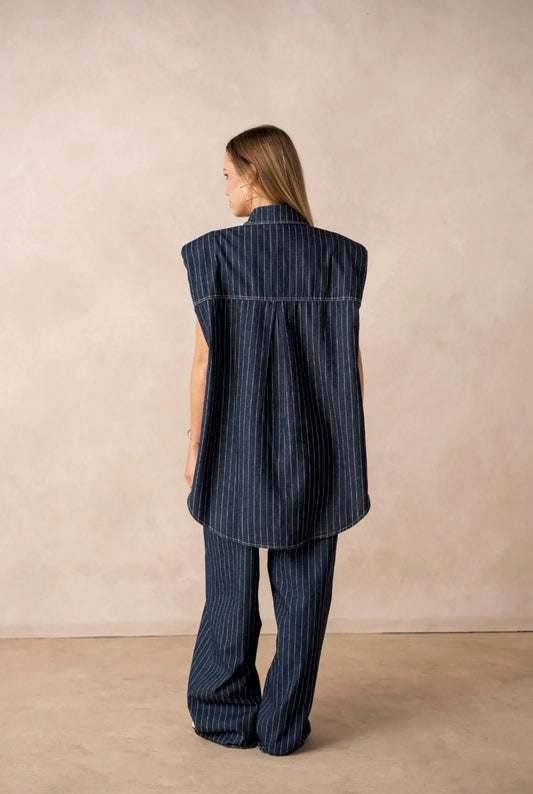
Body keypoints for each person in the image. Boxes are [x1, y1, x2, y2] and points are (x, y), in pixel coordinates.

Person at [181, 124, 370, 756]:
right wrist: (344, 447)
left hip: (231, 448)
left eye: (227, 175)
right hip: (317, 447)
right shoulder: (341, 256)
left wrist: (193, 445)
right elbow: (351, 367)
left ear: (254, 173)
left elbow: (204, 363)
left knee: (228, 594)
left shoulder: (213, 254)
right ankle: (284, 726)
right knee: (306, 596)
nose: (225, 188)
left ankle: (225, 717)